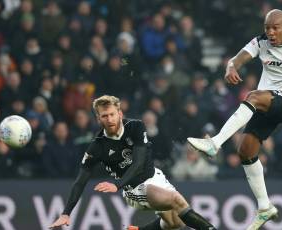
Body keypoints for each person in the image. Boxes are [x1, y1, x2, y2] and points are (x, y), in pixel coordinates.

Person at [187, 9, 282, 230]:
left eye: (275, 28)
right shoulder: (261, 42)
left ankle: (215, 143)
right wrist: (231, 67)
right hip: (267, 102)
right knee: (246, 151)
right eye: (267, 28)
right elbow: (237, 58)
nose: (270, 32)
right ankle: (265, 207)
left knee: (252, 96)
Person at [49, 95, 216, 230]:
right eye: (104, 116)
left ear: (120, 113)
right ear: (98, 118)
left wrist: (116, 184)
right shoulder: (97, 147)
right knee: (176, 199)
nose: (109, 119)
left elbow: (138, 163)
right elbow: (80, 182)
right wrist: (66, 213)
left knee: (175, 223)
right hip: (133, 188)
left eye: (112, 114)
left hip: (154, 177)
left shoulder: (135, 127)